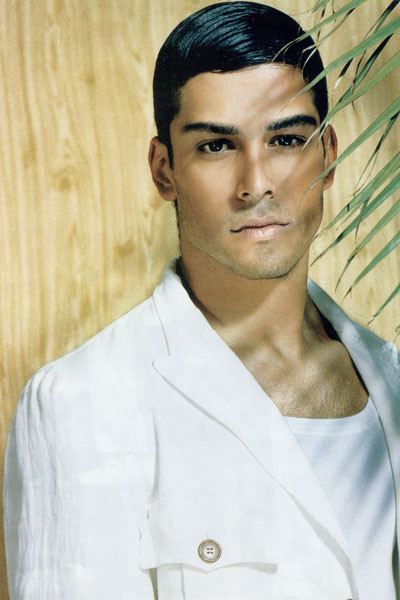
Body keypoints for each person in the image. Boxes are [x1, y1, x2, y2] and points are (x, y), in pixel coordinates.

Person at [3, 2, 399, 599]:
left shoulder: (391, 379)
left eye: (286, 139)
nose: (256, 183)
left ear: (328, 155)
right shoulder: (83, 403)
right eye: (216, 146)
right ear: (164, 170)